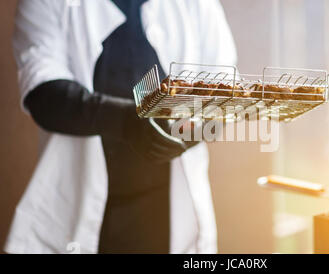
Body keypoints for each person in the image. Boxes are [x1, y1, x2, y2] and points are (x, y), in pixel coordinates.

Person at [5, 0, 236, 254]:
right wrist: (129, 123)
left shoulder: (198, 5)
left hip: (167, 214)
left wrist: (186, 131)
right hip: (77, 212)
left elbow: (223, 92)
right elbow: (45, 93)